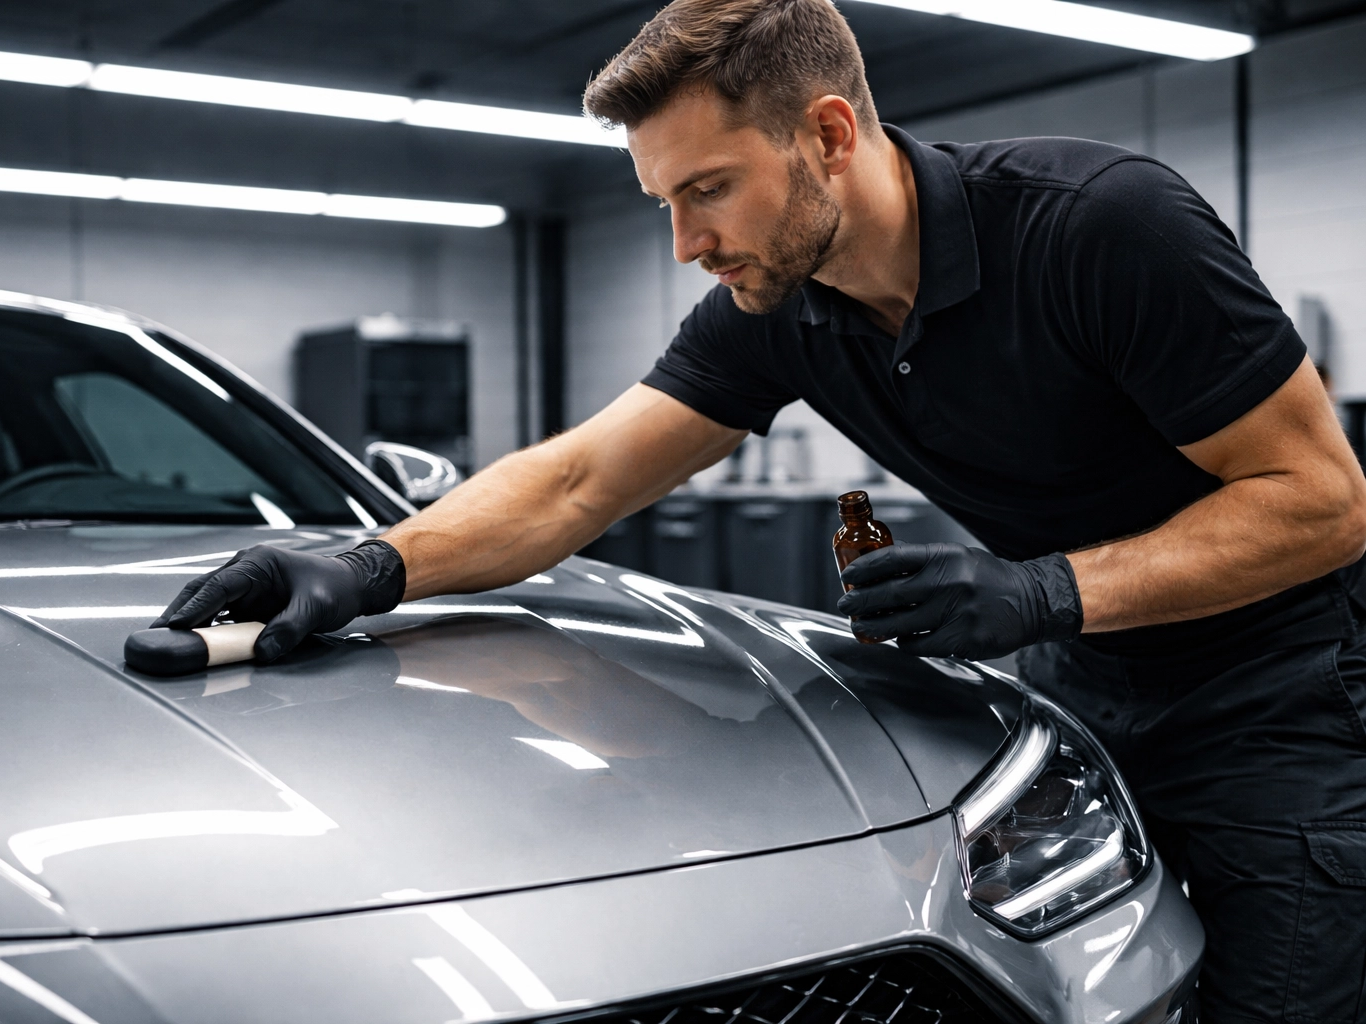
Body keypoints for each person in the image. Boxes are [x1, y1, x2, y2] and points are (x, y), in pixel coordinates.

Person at [152, 0, 1366, 1016]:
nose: (686, 243)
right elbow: (581, 479)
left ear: (828, 133)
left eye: (710, 189)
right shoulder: (782, 308)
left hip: (1283, 699)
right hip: (1086, 693)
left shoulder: (1101, 227)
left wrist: (1047, 588)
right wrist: (370, 565)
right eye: (663, 202)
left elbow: (1322, 501)